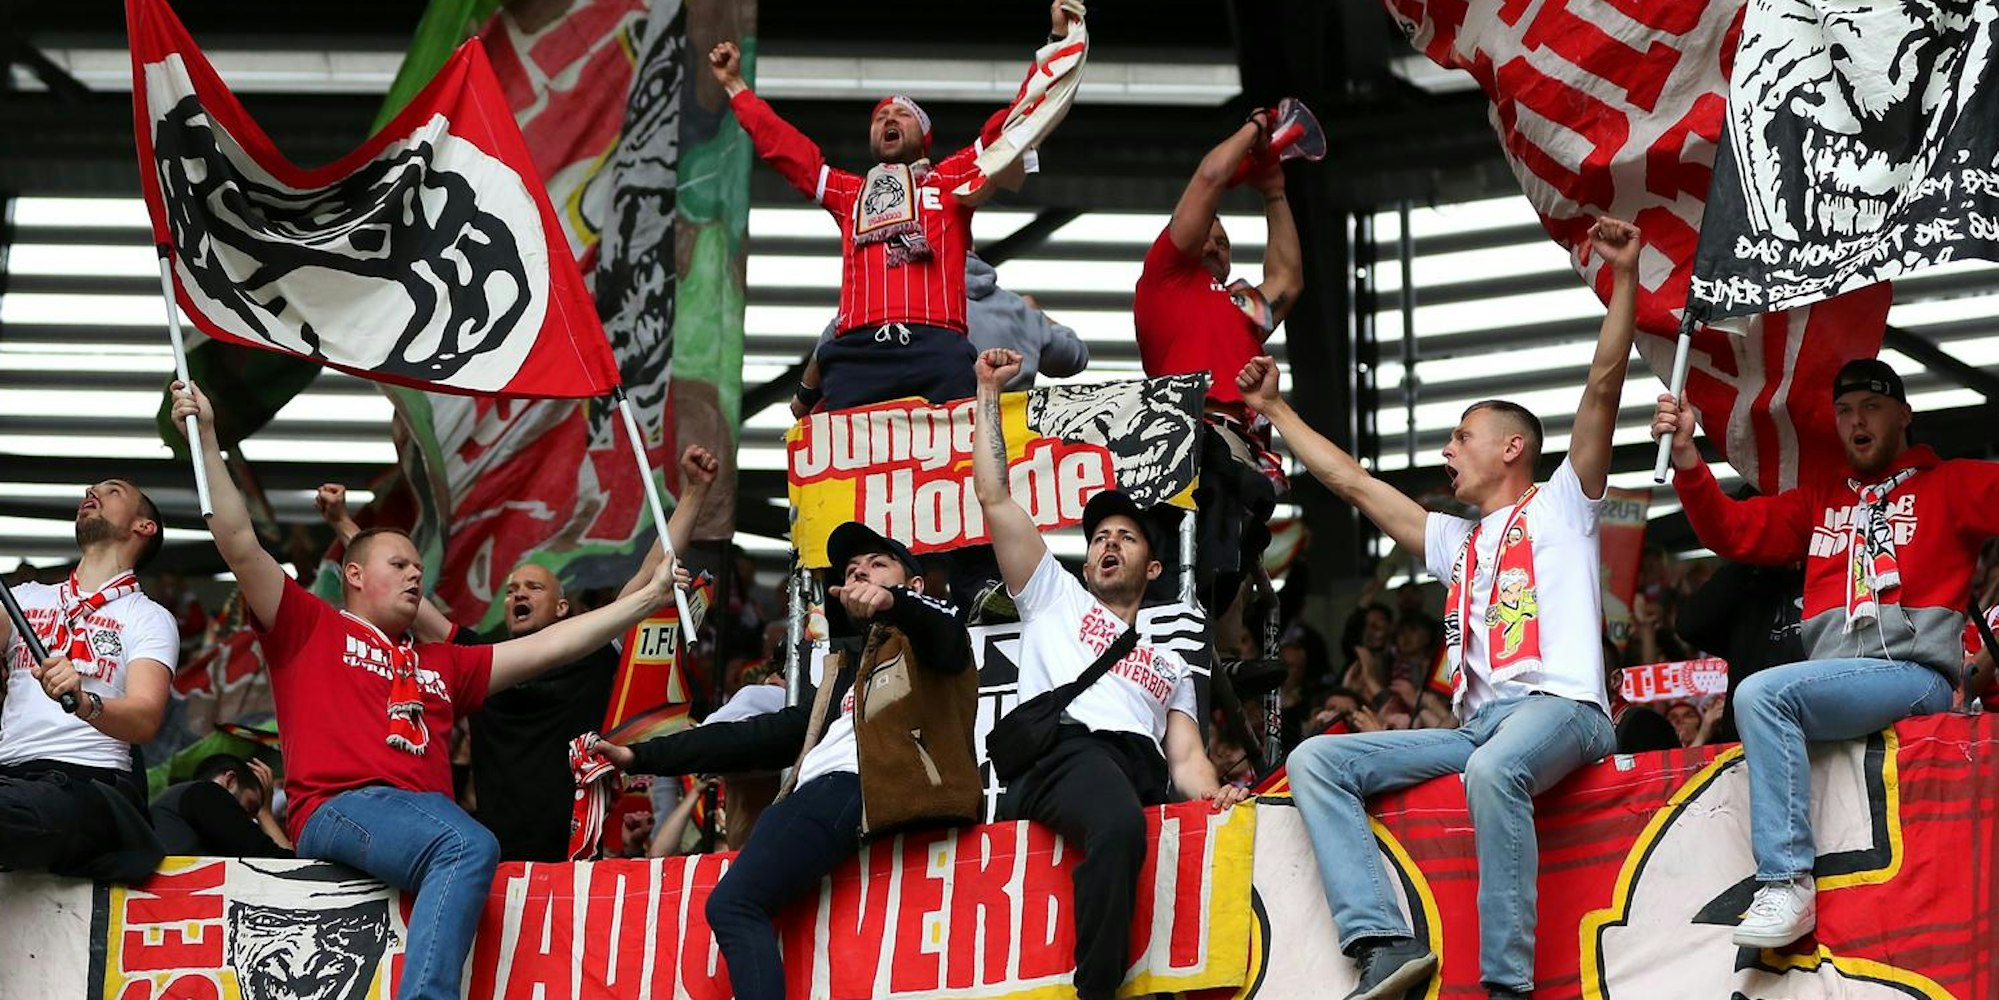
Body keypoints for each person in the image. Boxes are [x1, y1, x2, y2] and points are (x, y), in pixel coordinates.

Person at [171, 380, 683, 1000]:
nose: (416, 572)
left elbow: (553, 645)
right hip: (340, 807)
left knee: (460, 838)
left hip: (417, 818)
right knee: (467, 843)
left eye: (419, 566)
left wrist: (648, 602)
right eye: (399, 565)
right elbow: (239, 541)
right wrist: (205, 435)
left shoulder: (445, 663)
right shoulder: (308, 625)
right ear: (353, 575)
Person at [1241, 217, 1643, 1000]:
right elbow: (1354, 485)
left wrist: (1623, 279)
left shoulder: (1564, 502)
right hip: (1478, 729)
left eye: (1461, 438)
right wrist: (1279, 413)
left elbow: (1602, 383)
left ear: (1511, 449)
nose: (1446, 453)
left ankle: (1504, 986)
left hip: (1564, 710)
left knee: (1495, 767)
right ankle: (1383, 944)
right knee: (1316, 759)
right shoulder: (1456, 541)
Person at [1651, 356, 1999, 948]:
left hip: (1916, 677)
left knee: (1762, 691)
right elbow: (1730, 531)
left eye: (1871, 407)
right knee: (1769, 695)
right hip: (1838, 682)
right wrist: (1687, 456)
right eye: (1844, 410)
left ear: (1904, 415)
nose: (1855, 420)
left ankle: (1786, 882)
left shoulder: (1951, 482)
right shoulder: (1818, 500)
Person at [590, 521, 978, 1000]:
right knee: (741, 908)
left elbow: (942, 628)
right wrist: (637, 755)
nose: (860, 577)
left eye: (877, 565)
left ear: (914, 585)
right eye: (852, 571)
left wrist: (895, 603)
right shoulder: (844, 679)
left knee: (734, 906)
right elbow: (753, 736)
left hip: (855, 787)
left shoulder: (936, 643)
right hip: (825, 793)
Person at [972, 346, 1250, 1000]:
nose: (1107, 543)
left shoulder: (1169, 662)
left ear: (1153, 570)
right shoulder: (1050, 595)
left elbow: (1185, 762)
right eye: (1100, 536)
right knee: (1120, 828)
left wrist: (1216, 799)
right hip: (1064, 757)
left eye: (1126, 537)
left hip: (1139, 772)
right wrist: (988, 393)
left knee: (1168, 866)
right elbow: (993, 495)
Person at [313, 444, 719, 862]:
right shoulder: (478, 660)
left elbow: (653, 571)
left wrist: (693, 492)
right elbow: (417, 610)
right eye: (510, 591)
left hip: (573, 858)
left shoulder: (595, 653)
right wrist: (343, 523)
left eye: (533, 588)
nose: (518, 594)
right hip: (493, 857)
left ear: (563, 608)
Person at [709, 0, 1085, 415]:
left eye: (902, 114)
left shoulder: (951, 182)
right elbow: (787, 149)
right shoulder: (849, 193)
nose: (888, 117)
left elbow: (1016, 121)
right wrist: (735, 87)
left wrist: (1058, 41)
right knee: (850, 474)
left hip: (937, 348)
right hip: (858, 353)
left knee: (954, 465)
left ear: (923, 137)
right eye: (880, 116)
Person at [1133, 112, 1306, 615]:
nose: (1215, 244)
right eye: (1207, 234)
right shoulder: (1165, 277)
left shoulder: (1239, 305)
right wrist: (1258, 127)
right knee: (1194, 562)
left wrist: (1274, 190)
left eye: (1225, 242)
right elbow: (1210, 177)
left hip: (1242, 448)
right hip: (1192, 433)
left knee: (1227, 568)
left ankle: (1219, 665)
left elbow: (1288, 280)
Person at [0, 479, 175, 881]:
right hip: (11, 779)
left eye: (112, 491)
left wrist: (84, 701)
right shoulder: (25, 598)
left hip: (87, 784)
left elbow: (145, 718)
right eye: (91, 490)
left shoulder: (147, 617)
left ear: (144, 526)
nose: (90, 493)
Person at [804, 250, 1091, 415]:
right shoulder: (1018, 310)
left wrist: (802, 397)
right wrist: (1037, 315)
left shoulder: (897, 300)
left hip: (912, 455)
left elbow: (835, 333)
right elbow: (1075, 357)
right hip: (1004, 455)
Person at [151, 752, 291, 857]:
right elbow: (286, 867)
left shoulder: (178, 806)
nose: (249, 821)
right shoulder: (207, 793)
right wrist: (265, 814)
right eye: (251, 806)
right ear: (230, 781)